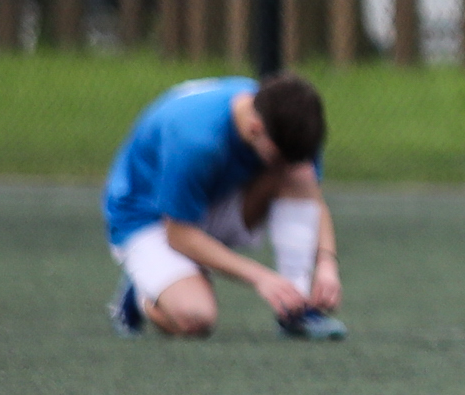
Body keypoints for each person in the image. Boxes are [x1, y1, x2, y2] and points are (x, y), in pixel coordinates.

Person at [104, 73, 345, 341]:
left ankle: (296, 309)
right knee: (195, 318)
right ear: (254, 128)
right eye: (276, 157)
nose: (283, 165)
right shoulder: (195, 140)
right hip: (148, 218)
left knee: (299, 172)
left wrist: (326, 263)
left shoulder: (289, 120)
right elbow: (179, 234)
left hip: (207, 202)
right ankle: (142, 294)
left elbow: (310, 193)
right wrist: (261, 277)